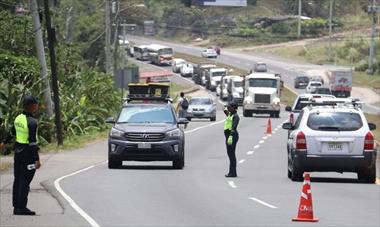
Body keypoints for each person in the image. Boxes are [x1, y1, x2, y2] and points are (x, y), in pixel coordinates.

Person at [0, 95, 41, 215]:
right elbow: (33, 143)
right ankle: (22, 207)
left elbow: (12, 133)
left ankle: (16, 206)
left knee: (17, 179)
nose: (37, 106)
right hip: (28, 154)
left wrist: (4, 142)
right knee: (25, 180)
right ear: (32, 106)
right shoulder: (32, 122)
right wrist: (37, 160)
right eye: (36, 104)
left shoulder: (18, 118)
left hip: (17, 152)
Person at [223, 102, 240, 178]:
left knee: (232, 155)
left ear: (234, 108)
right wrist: (226, 106)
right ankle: (232, 172)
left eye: (230, 107)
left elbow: (234, 127)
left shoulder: (236, 117)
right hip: (228, 136)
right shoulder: (230, 114)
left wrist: (230, 137)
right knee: (230, 154)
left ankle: (233, 173)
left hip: (232, 136)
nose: (228, 108)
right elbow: (224, 109)